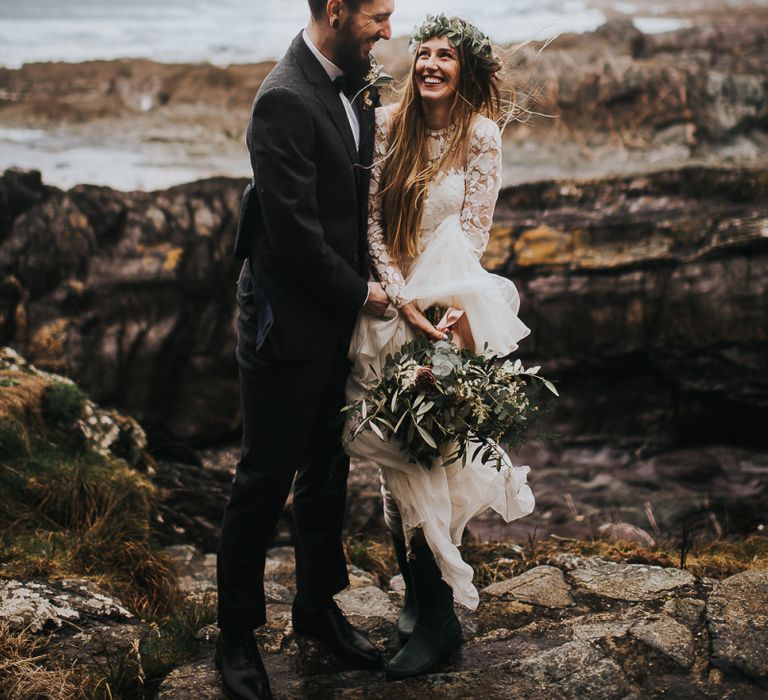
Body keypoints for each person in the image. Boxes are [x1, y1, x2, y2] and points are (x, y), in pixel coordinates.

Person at [345, 14, 536, 680]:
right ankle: (423, 601)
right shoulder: (389, 125)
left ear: (465, 68)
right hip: (393, 308)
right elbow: (371, 223)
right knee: (394, 463)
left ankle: (437, 617)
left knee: (432, 453)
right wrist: (400, 301)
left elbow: (477, 229)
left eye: (443, 55)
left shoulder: (482, 135)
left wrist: (445, 310)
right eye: (421, 52)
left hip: (451, 307)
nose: (428, 63)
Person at [216, 1, 394, 698]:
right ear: (336, 10)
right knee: (265, 476)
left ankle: (316, 611)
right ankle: (236, 639)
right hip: (284, 322)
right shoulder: (283, 100)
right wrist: (367, 294)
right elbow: (293, 239)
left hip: (336, 319)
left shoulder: (351, 82)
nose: (388, 31)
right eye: (378, 16)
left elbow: (353, 201)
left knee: (327, 468)